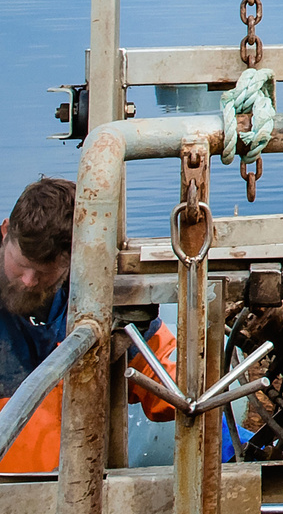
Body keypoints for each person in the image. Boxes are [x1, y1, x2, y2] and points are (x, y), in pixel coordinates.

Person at [0, 177, 175, 473]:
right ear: (5, 232)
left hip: (70, 491)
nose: (29, 282)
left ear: (73, 262)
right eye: (21, 264)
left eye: (44, 273)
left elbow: (162, 376)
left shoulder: (93, 293)